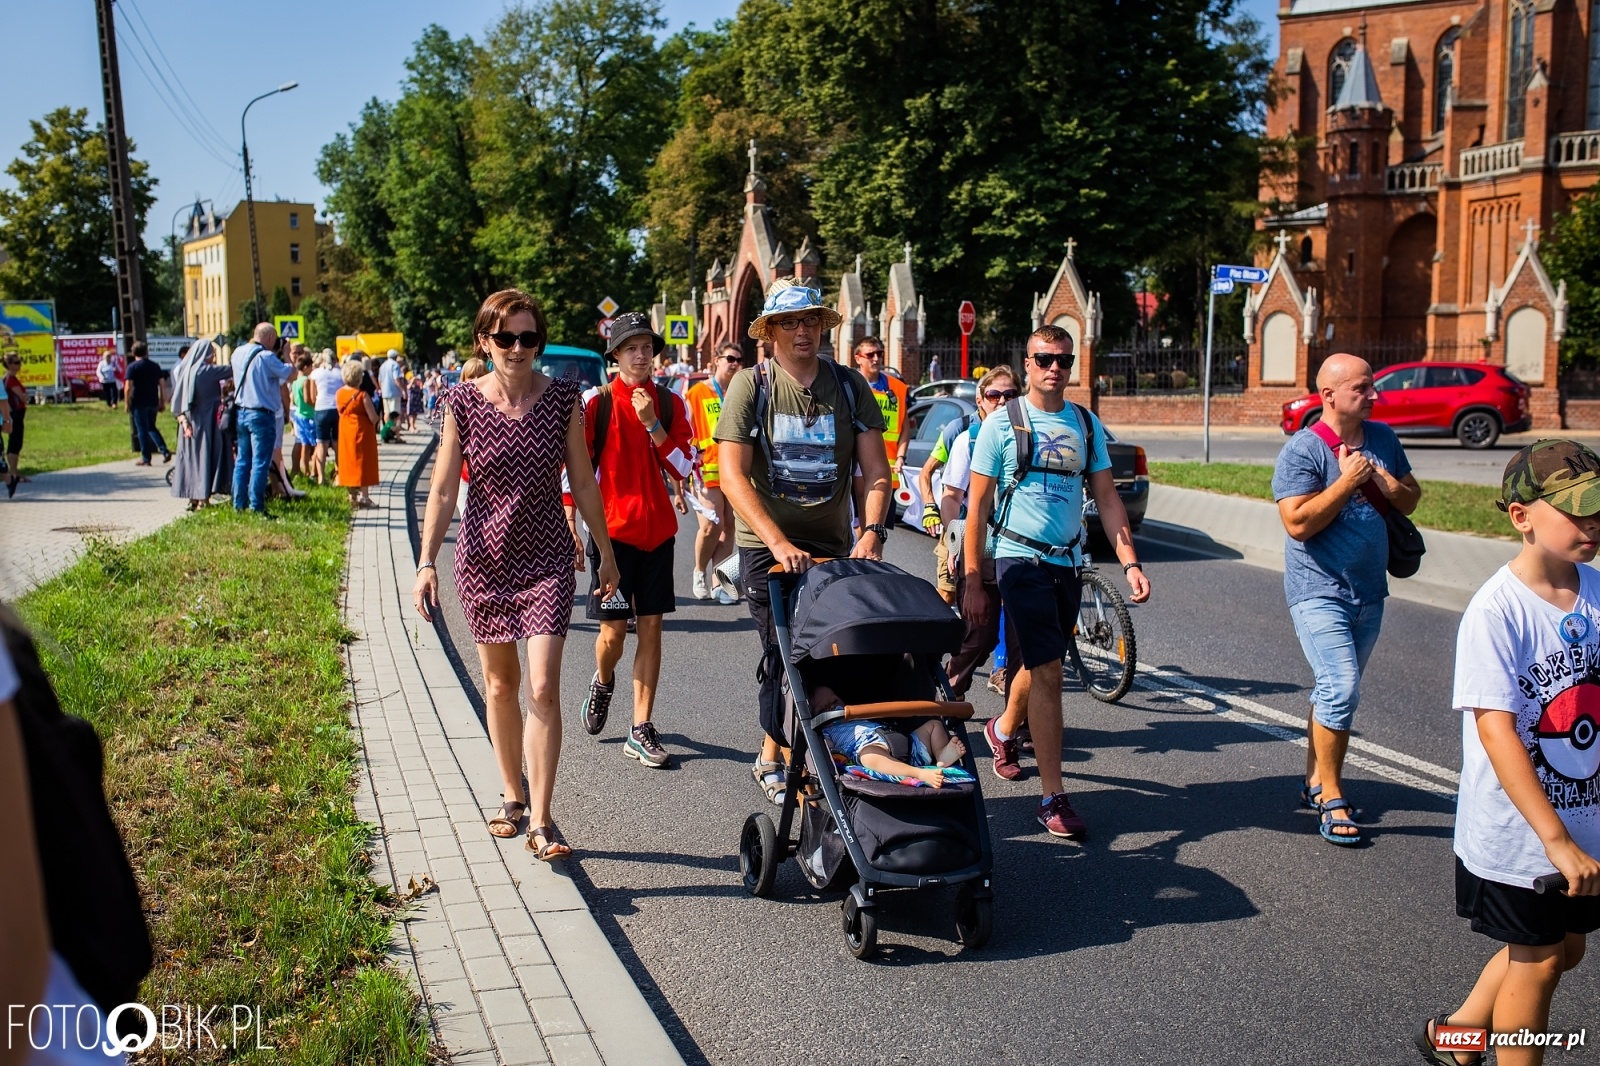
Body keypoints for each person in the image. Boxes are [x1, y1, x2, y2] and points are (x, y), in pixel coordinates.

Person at [414, 289, 620, 861]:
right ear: (485, 341)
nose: (517, 348)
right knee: (501, 685)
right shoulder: (461, 402)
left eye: (528, 338)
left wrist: (604, 550)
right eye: (505, 338)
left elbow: (582, 480)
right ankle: (512, 795)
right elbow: (444, 487)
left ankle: (544, 819)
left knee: (543, 686)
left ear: (539, 343)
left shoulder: (561, 400)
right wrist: (426, 560)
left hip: (549, 558)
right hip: (484, 559)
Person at [1421, 441, 1600, 1066]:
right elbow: (1497, 732)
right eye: (1576, 512)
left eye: (1599, 509)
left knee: (1566, 948)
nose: (1593, 524)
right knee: (1541, 959)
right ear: (1521, 516)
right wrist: (1553, 839)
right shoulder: (1496, 612)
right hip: (1524, 834)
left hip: (1586, 820)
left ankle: (1458, 1038)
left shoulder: (1597, 593)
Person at [964, 325, 1149, 840]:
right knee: (1047, 667)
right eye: (1044, 358)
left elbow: (1108, 499)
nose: (1054, 368)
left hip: (1067, 563)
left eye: (1063, 361)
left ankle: (1001, 730)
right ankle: (1053, 796)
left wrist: (1129, 560)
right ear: (1027, 363)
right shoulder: (1002, 424)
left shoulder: (1085, 425)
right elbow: (975, 506)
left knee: (1043, 659)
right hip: (1018, 559)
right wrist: (975, 577)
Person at [716, 279, 890, 806]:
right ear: (768, 332)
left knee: (834, 653)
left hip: (835, 546)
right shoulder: (753, 384)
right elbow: (731, 475)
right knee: (783, 651)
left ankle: (828, 751)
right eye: (789, 322)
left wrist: (873, 532)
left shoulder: (849, 385)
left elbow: (876, 472)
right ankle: (775, 753)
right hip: (769, 547)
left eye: (810, 320)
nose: (802, 331)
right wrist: (777, 540)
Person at [1273, 352, 1420, 845]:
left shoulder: (1384, 439)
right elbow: (1297, 523)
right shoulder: (1303, 450)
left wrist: (1380, 480)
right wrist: (1347, 482)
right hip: (1318, 589)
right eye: (1362, 388)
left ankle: (1313, 779)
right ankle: (1332, 794)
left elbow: (1412, 498)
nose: (1374, 395)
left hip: (1369, 591)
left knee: (1333, 689)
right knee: (1341, 687)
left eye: (1373, 385)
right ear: (1329, 395)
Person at [578, 312, 694, 770]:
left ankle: (640, 727)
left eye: (647, 346)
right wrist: (572, 518)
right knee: (612, 634)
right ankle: (602, 679)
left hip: (657, 534)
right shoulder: (597, 402)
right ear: (616, 356)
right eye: (632, 348)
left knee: (651, 628)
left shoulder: (670, 404)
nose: (642, 354)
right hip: (610, 535)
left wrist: (653, 425)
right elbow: (577, 467)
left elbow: (685, 467)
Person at [937, 365, 1020, 693]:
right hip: (980, 549)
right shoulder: (967, 441)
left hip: (1020, 551)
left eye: (1010, 395)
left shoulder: (1027, 438)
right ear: (980, 401)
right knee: (979, 637)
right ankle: (948, 695)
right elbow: (951, 497)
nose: (1002, 401)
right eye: (994, 395)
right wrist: (954, 539)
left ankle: (1018, 724)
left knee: (1022, 644)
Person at [814, 684, 970, 789]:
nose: (833, 707)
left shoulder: (854, 714)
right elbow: (827, 747)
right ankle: (919, 774)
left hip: (901, 740)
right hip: (868, 747)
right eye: (824, 709)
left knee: (933, 725)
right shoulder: (826, 731)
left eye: (834, 701)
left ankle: (941, 755)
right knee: (869, 757)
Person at [686, 343, 742, 603]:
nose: (734, 364)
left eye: (738, 360)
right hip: (705, 468)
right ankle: (699, 571)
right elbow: (686, 430)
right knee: (711, 525)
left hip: (735, 470)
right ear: (717, 361)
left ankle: (720, 581)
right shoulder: (698, 392)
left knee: (730, 527)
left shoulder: (741, 392)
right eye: (730, 358)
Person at [229, 324, 295, 515]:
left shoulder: (238, 353)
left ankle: (238, 504)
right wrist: (286, 353)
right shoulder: (266, 357)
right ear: (270, 338)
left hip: (241, 411)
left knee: (242, 460)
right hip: (261, 414)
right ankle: (257, 507)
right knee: (260, 462)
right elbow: (292, 375)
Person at [169, 339, 234, 510]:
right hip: (206, 420)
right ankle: (204, 498)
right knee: (205, 457)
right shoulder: (206, 371)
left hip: (188, 421)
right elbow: (231, 370)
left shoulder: (185, 370)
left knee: (190, 459)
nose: (213, 356)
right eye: (212, 352)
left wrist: (182, 419)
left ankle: (192, 497)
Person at [853, 336, 910, 499]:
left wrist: (901, 456)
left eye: (879, 353)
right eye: (870, 355)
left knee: (881, 524)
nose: (876, 359)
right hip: (856, 468)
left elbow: (905, 427)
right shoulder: (850, 385)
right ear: (858, 359)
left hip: (889, 469)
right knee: (858, 523)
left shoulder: (897, 387)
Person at [335, 358, 380, 508]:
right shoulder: (362, 395)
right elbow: (373, 418)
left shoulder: (339, 393)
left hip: (345, 432)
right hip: (362, 432)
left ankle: (351, 496)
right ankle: (364, 497)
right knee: (363, 463)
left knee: (348, 461)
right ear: (359, 377)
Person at [124, 342, 172, 467]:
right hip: (152, 401)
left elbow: (128, 387)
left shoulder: (132, 367)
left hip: (139, 402)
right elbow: (162, 385)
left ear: (133, 353)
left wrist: (127, 403)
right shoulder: (155, 366)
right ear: (146, 352)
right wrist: (162, 401)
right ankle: (164, 450)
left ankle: (146, 458)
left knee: (142, 430)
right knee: (151, 427)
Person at [309, 350, 344, 485]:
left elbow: (312, 397)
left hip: (321, 409)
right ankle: (339, 475)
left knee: (321, 444)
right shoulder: (339, 373)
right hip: (336, 409)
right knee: (337, 444)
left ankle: (321, 477)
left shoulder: (315, 373)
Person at [288, 350, 319, 481]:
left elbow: (294, 400)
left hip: (298, 414)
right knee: (313, 445)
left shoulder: (295, 382)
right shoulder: (306, 380)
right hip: (308, 415)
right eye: (311, 367)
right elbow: (308, 399)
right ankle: (311, 471)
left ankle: (302, 469)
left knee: (302, 443)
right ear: (306, 367)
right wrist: (316, 402)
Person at [3, 354, 28, 497]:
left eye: (20, 361)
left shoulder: (9, 379)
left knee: (15, 443)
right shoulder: (11, 380)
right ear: (10, 364)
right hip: (15, 415)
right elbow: (22, 396)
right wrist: (25, 396)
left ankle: (14, 473)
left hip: (16, 414)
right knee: (15, 443)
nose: (20, 365)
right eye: (17, 362)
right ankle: (13, 474)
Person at [379, 350, 406, 423]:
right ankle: (393, 430)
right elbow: (396, 379)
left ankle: (387, 429)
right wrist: (403, 390)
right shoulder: (395, 365)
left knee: (386, 412)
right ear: (396, 356)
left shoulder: (383, 365)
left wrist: (382, 389)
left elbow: (380, 380)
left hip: (385, 392)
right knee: (395, 413)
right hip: (394, 392)